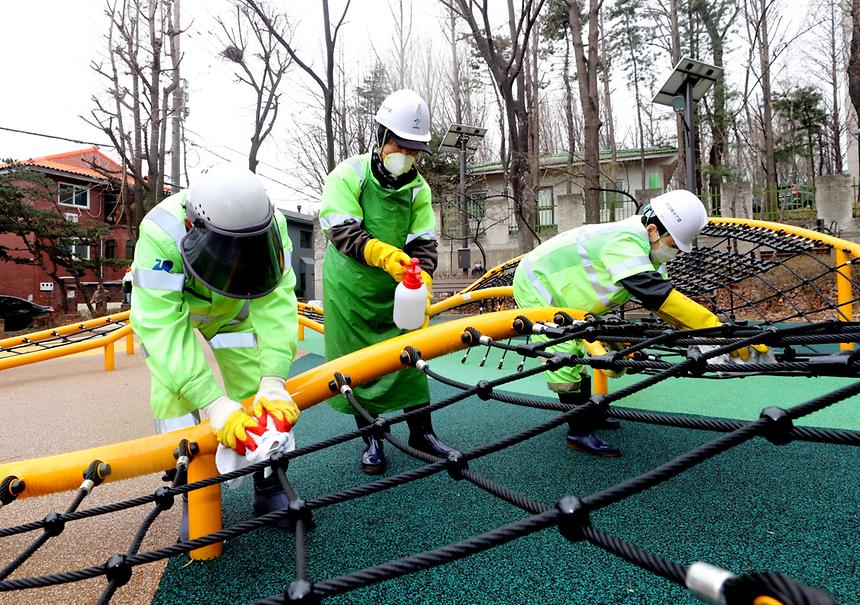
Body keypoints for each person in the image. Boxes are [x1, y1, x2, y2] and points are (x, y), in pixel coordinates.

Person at [512, 190, 768, 457]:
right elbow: (656, 295)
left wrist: (713, 335)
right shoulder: (625, 240)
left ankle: (591, 416)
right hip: (537, 287)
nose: (677, 251)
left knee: (580, 342)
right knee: (563, 353)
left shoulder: (649, 254)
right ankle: (578, 432)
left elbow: (668, 307)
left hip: (571, 297)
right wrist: (714, 328)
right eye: (675, 243)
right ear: (654, 230)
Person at [130, 163, 300, 532]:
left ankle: (270, 482)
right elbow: (162, 327)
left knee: (254, 379)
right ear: (194, 226)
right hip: (177, 313)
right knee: (174, 395)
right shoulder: (160, 235)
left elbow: (276, 301)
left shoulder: (274, 225)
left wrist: (273, 379)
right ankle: (196, 490)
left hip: (233, 311)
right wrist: (211, 401)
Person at [319, 88, 452, 475]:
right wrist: (385, 255)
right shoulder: (349, 175)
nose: (406, 156)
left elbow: (424, 241)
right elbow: (342, 231)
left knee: (410, 355)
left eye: (414, 150)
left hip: (399, 288)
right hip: (352, 287)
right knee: (359, 366)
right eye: (400, 145)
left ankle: (421, 431)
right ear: (380, 137)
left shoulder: (418, 190)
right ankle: (372, 438)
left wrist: (422, 276)